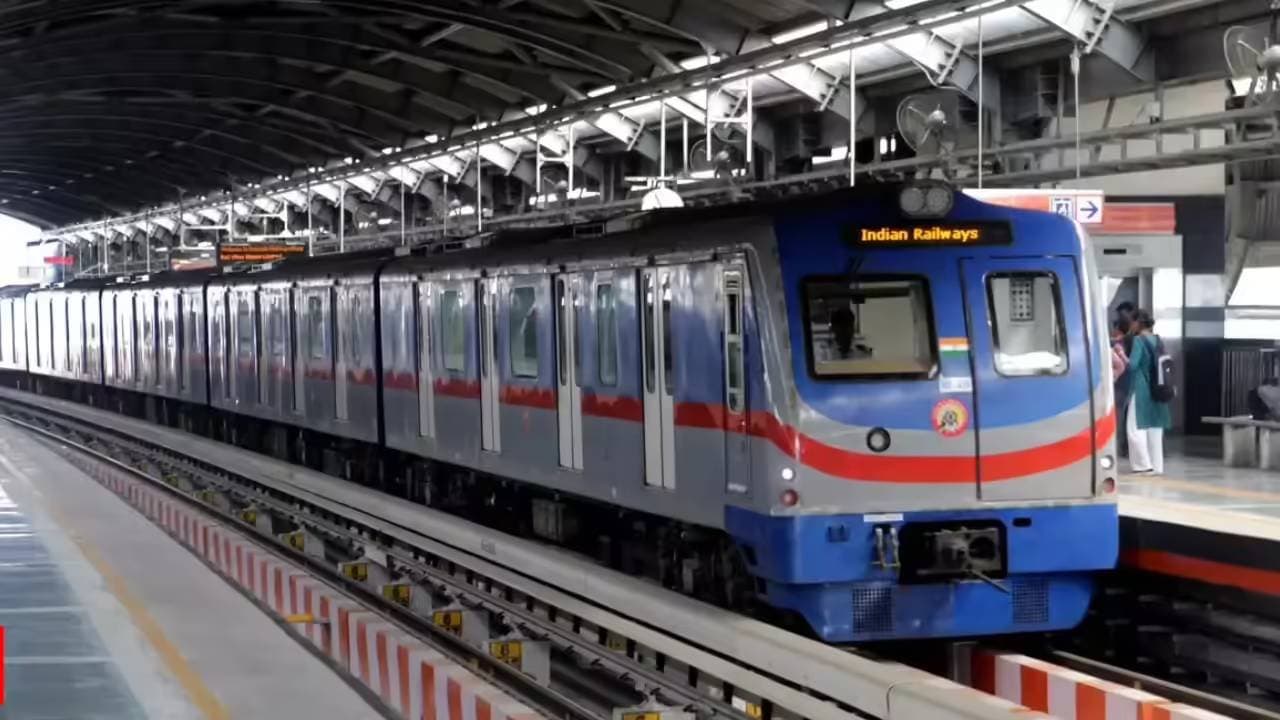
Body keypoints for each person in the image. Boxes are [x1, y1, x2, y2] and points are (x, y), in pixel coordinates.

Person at [1126, 309, 1171, 474]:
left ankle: (1143, 465)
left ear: (1138, 323)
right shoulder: (1158, 340)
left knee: (1135, 428)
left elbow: (1132, 365)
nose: (1131, 325)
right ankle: (1157, 467)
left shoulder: (1138, 340)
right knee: (1155, 428)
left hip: (1142, 388)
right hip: (1159, 388)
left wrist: (1120, 356)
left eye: (1132, 321)